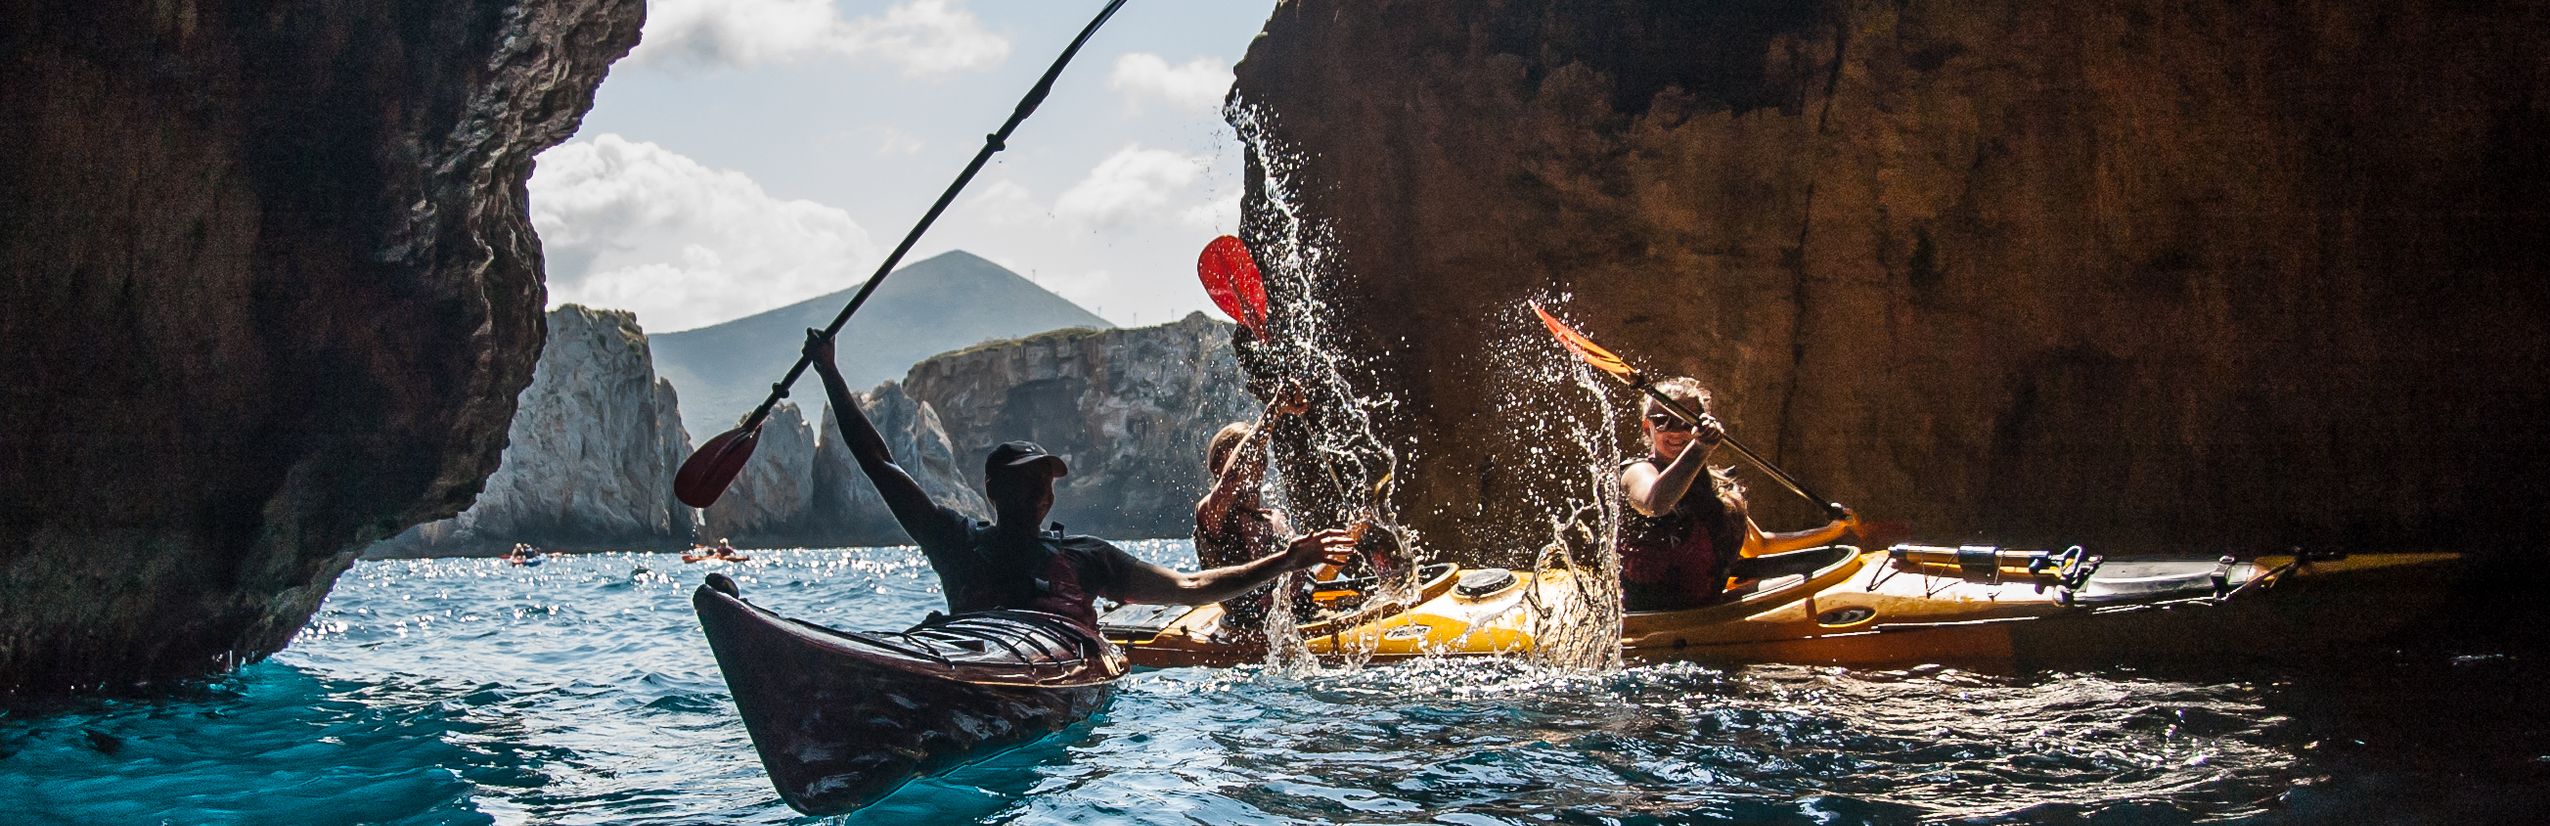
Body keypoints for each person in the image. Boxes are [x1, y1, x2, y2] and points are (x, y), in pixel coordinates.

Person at [805, 330, 1359, 629]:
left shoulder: (1086, 559)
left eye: (1043, 481)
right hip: (973, 661)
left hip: (1050, 673)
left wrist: (1290, 560)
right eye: (1026, 482)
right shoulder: (954, 539)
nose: (1039, 490)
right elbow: (881, 464)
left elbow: (1190, 589)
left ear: (1049, 497)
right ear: (993, 492)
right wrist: (830, 372)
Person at [1617, 377, 1854, 611]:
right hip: (1653, 621)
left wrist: (1830, 531)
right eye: (1663, 422)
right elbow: (1654, 504)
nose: (1676, 432)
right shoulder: (1637, 472)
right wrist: (1700, 448)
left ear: (1701, 425)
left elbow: (1760, 545)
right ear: (1647, 426)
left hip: (1709, 614)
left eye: (1685, 422)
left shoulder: (1717, 486)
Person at [1193, 386, 1319, 636]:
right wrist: (1273, 411)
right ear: (1218, 468)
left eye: (1256, 459)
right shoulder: (1212, 514)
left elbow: (1299, 578)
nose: (1250, 466)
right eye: (1243, 458)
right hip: (1249, 627)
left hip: (1300, 616)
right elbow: (1233, 477)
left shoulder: (1273, 518)